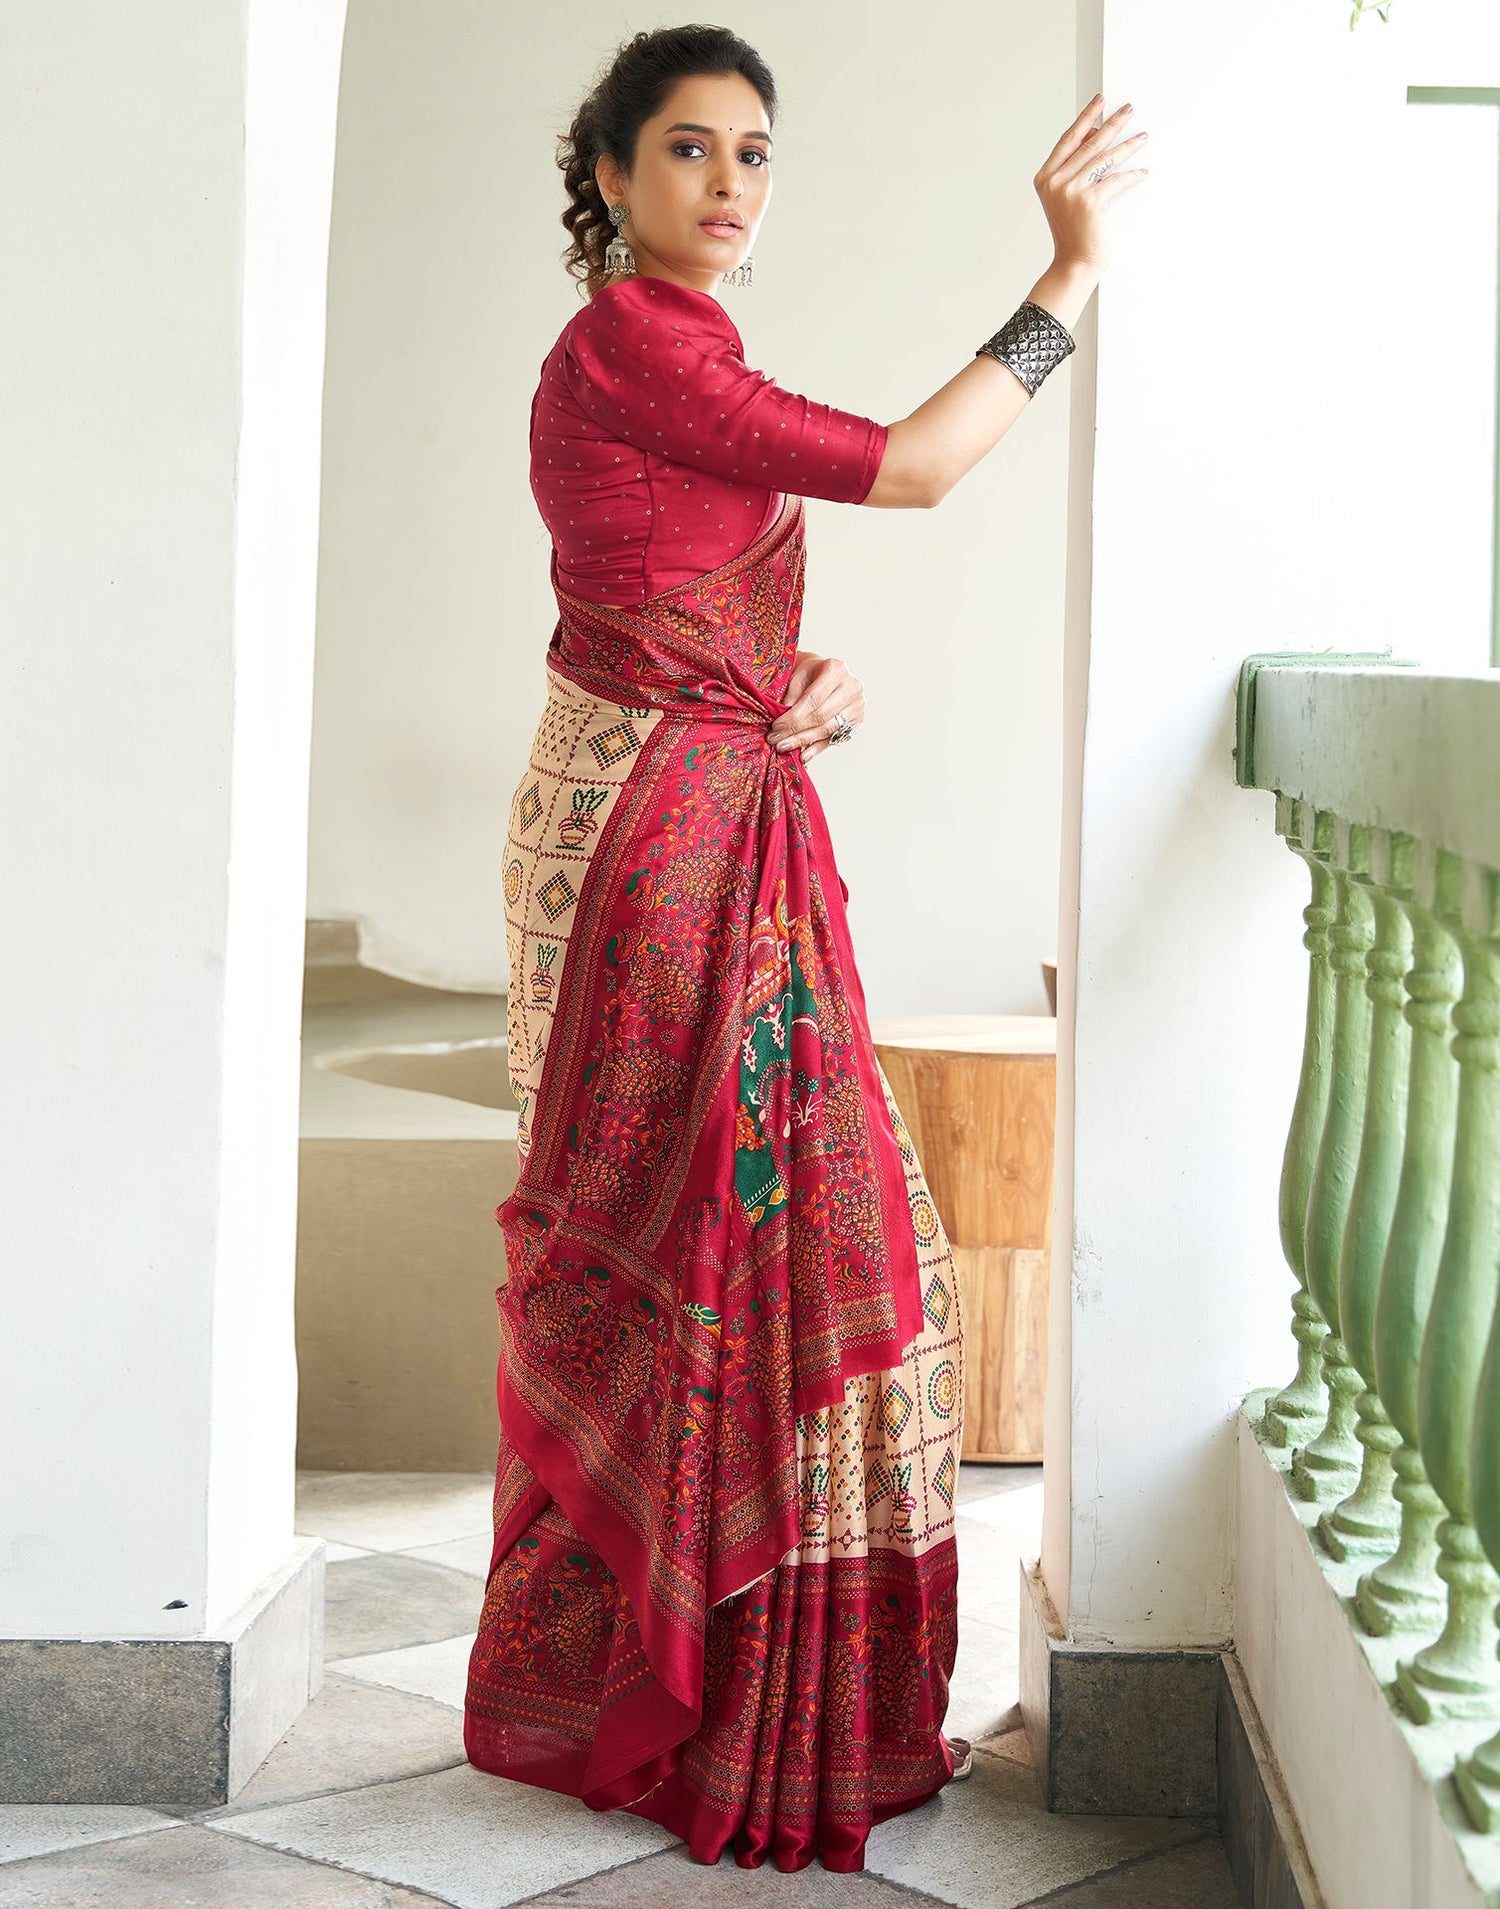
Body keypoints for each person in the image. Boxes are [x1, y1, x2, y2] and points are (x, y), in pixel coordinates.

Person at [462, 23, 1147, 1875]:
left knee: (779, 1240)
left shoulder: (674, 355)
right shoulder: (634, 339)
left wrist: (794, 681)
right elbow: (910, 468)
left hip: (684, 806)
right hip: (652, 854)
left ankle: (742, 1678)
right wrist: (1066, 281)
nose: (732, 185)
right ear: (608, 174)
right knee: (751, 1239)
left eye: (757, 155)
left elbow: (665, 593)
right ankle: (717, 1699)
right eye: (690, 151)